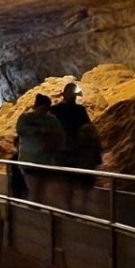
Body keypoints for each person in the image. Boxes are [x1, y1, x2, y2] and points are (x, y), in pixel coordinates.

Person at [50, 82, 96, 210]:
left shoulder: (59, 110)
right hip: (70, 150)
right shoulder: (72, 110)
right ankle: (74, 208)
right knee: (70, 180)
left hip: (68, 150)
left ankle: (71, 209)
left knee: (69, 180)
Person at [15, 94, 65, 206]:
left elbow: (59, 136)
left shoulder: (52, 120)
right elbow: (21, 130)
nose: (44, 111)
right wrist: (42, 131)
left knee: (41, 192)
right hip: (30, 160)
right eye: (43, 108)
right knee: (35, 190)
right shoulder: (26, 118)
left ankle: (36, 215)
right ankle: (34, 216)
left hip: (44, 160)